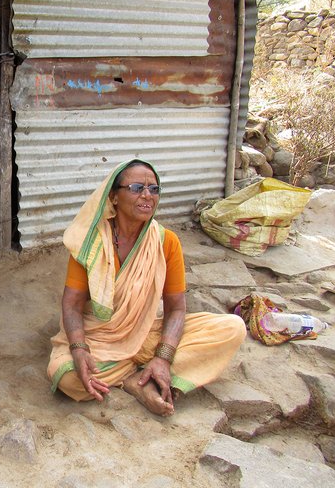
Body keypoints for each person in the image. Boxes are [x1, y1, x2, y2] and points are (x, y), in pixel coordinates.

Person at [47, 159, 246, 416]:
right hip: (99, 339)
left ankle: (152, 370)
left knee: (232, 328)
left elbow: (175, 309)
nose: (147, 196)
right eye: (137, 187)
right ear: (114, 197)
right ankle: (137, 380)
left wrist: (163, 357)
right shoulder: (89, 242)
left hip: (146, 334)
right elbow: (72, 304)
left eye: (154, 189)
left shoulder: (166, 242)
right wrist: (79, 348)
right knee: (65, 377)